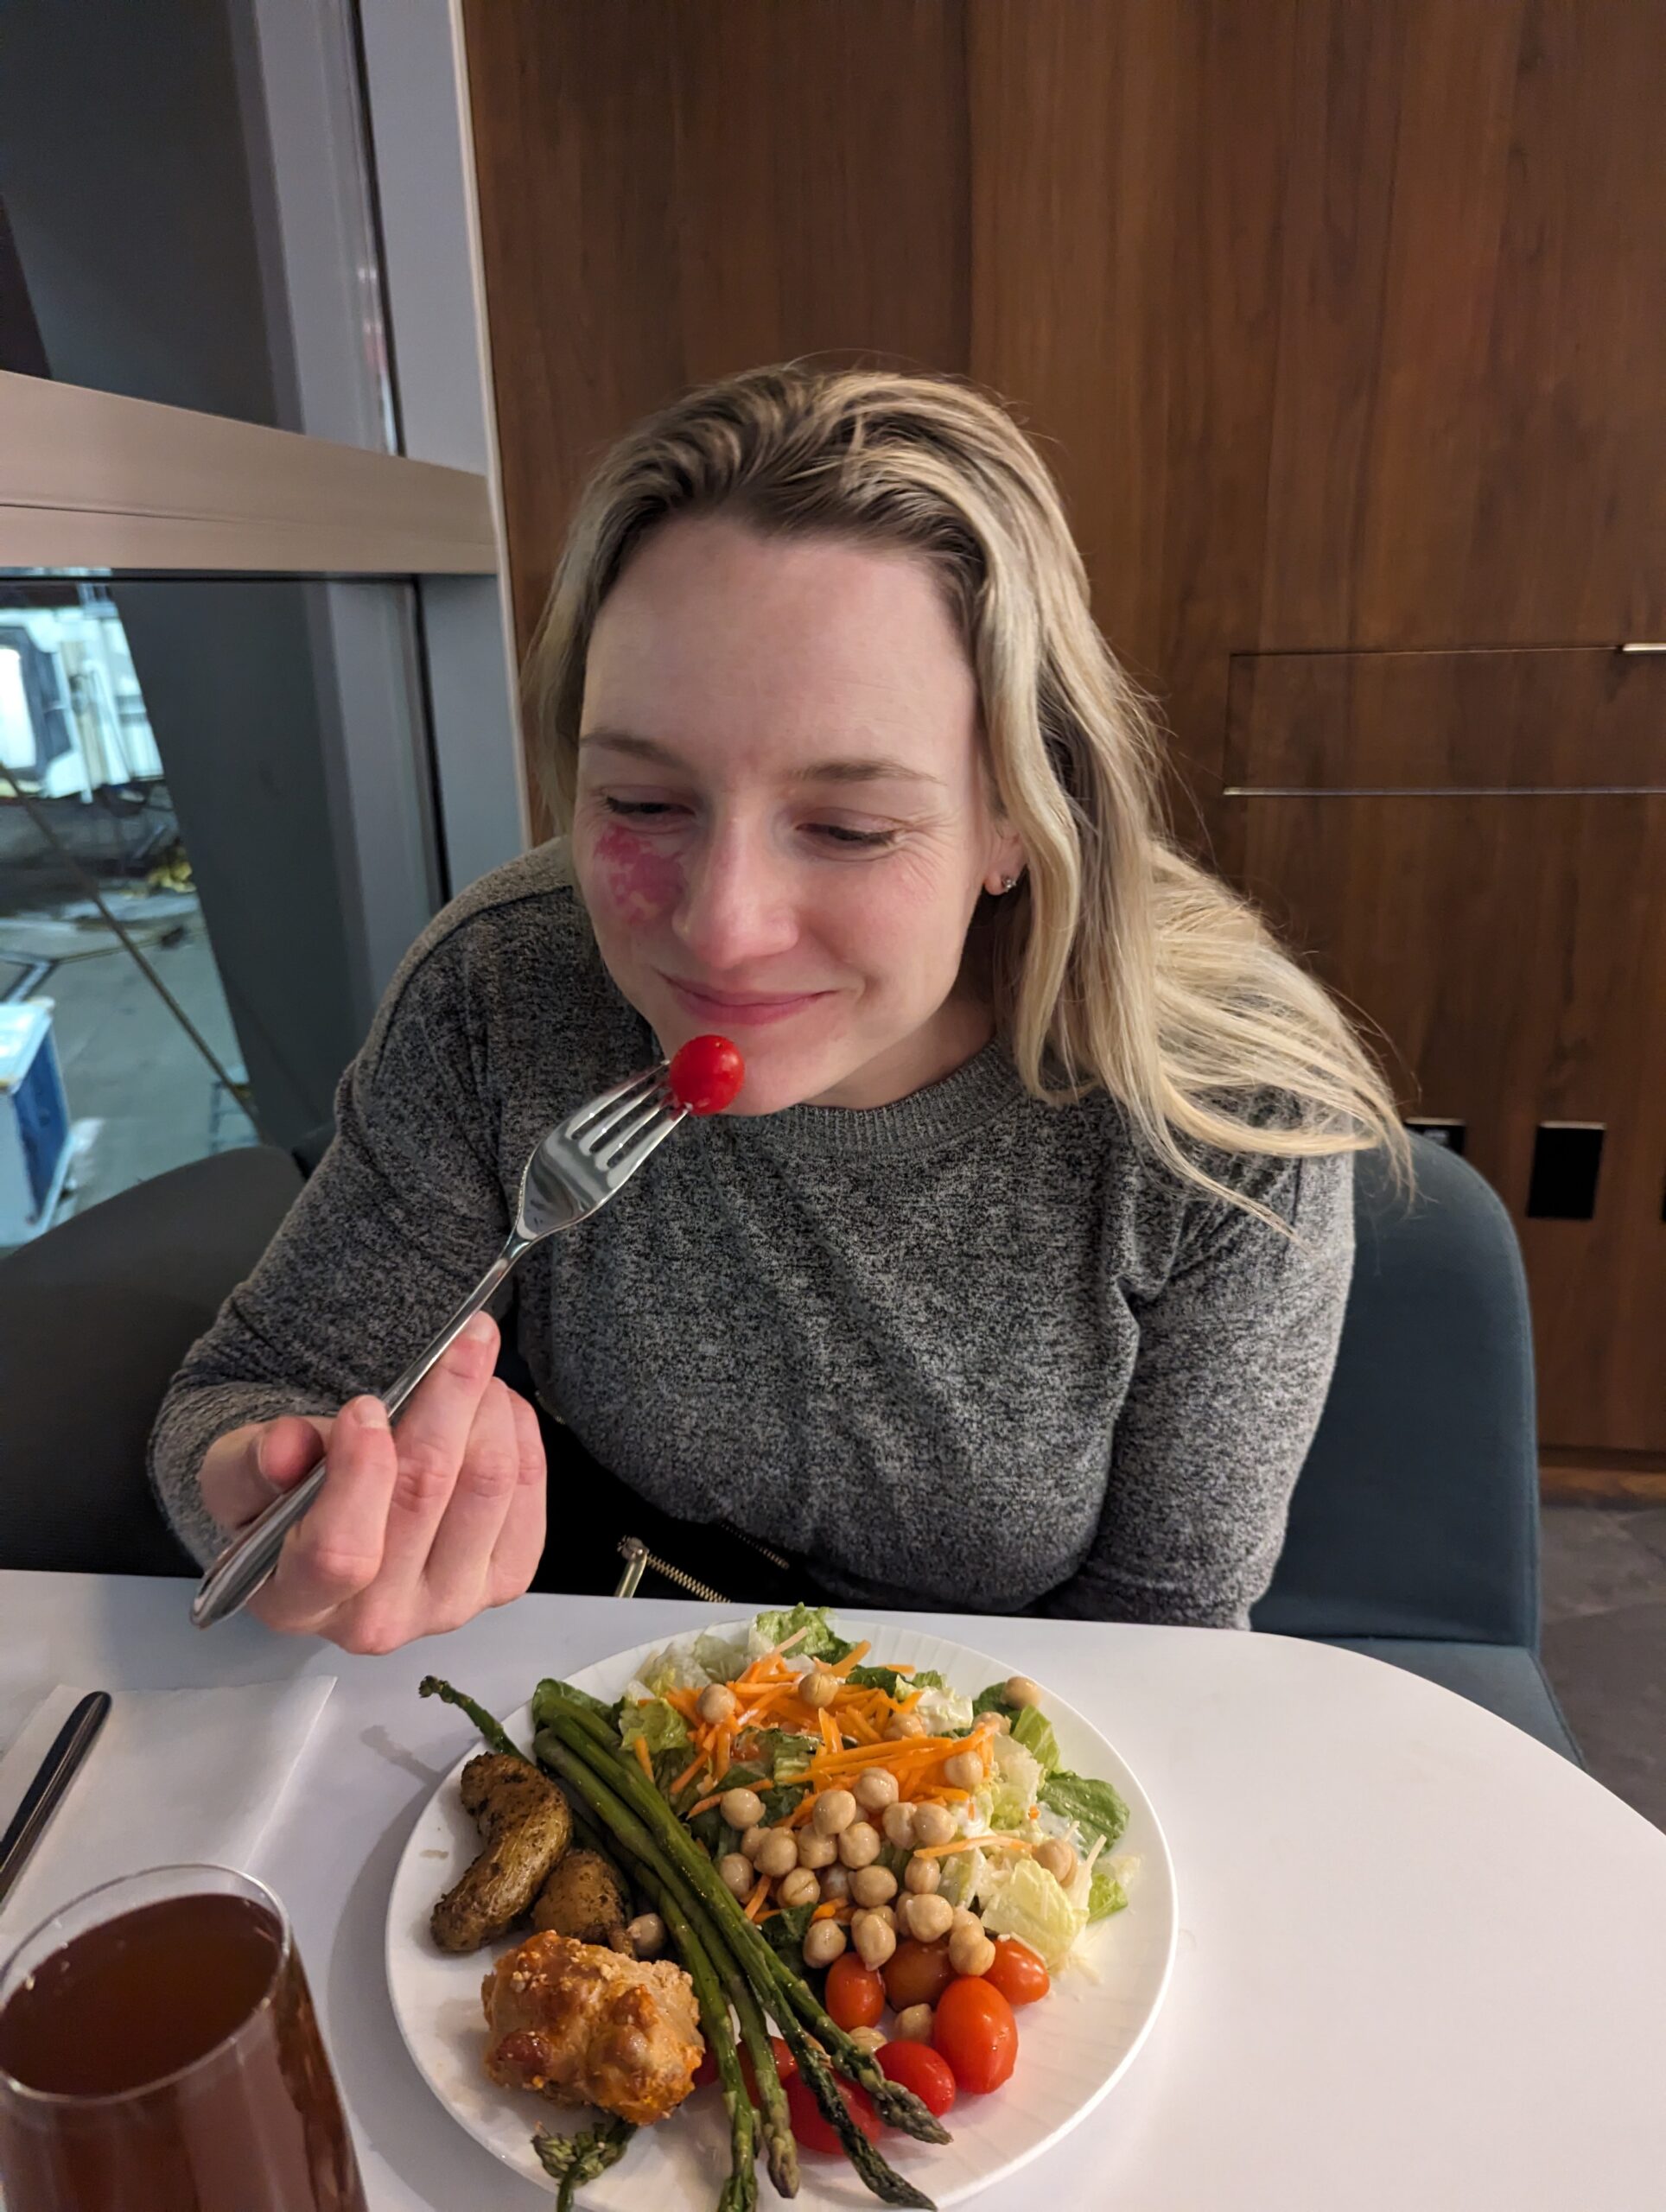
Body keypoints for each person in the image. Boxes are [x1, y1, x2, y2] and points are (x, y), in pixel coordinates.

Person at [150, 364, 1403, 1654]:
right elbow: (251, 1392)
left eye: (851, 827)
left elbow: (1163, 1641)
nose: (721, 929)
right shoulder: (508, 989)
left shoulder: (1223, 1109)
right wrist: (274, 1497)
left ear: (1018, 821)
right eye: (642, 803)